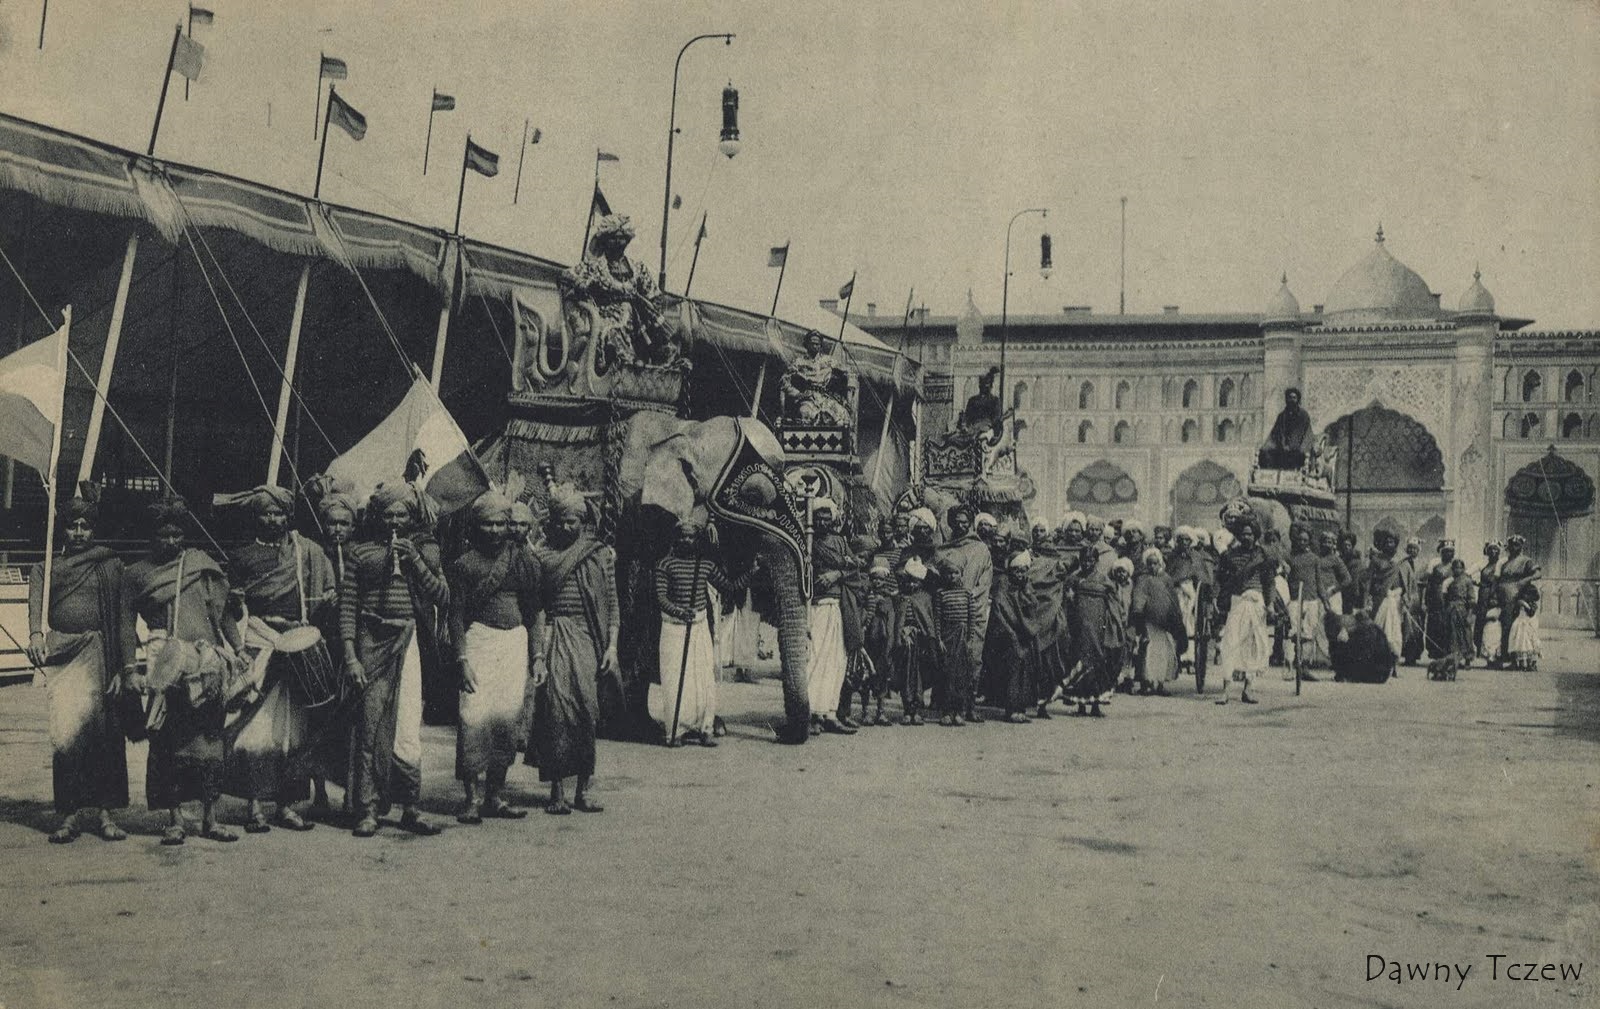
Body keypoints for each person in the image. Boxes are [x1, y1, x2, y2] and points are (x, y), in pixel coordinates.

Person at [122, 497, 243, 845]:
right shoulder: (137, 575)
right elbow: (124, 625)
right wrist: (132, 667)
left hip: (206, 666)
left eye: (177, 535)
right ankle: (174, 820)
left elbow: (223, 615)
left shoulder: (200, 565)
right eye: (163, 535)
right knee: (167, 745)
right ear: (152, 536)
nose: (171, 542)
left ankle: (211, 818)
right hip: (165, 665)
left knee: (209, 743)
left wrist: (238, 651)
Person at [221, 484, 337, 833]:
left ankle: (287, 806)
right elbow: (230, 608)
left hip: (297, 643)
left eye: (279, 514)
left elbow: (327, 593)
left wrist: (322, 604)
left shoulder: (306, 552)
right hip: (259, 640)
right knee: (257, 731)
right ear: (256, 518)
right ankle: (255, 807)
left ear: (289, 517)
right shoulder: (242, 557)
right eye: (266, 514)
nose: (273, 520)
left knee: (293, 732)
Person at [341, 484, 448, 838]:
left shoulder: (424, 551)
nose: (394, 522)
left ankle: (410, 807)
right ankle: (368, 809)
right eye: (388, 515)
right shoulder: (359, 553)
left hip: (409, 643)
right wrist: (352, 657)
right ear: (377, 517)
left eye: (401, 515)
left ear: (411, 517)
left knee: (405, 728)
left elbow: (443, 597)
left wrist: (414, 561)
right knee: (370, 727)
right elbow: (348, 608)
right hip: (371, 642)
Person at [26, 496, 129, 844]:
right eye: (73, 525)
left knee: (106, 736)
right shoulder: (45, 568)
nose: (80, 532)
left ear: (95, 528)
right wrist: (37, 636)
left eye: (86, 525)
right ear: (63, 528)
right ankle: (68, 815)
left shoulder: (110, 565)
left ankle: (106, 814)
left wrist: (121, 668)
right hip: (63, 657)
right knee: (66, 735)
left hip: (101, 655)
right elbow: (35, 612)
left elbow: (122, 621)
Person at [447, 490, 539, 823]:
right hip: (479, 643)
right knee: (473, 718)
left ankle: (495, 796)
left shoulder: (522, 561)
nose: (495, 531)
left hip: (514, 644)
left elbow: (533, 613)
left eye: (501, 523)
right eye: (487, 524)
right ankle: (471, 798)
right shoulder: (464, 564)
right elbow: (455, 615)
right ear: (476, 526)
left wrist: (537, 655)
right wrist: (462, 659)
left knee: (506, 721)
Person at [528, 483, 618, 813]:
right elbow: (537, 607)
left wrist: (612, 647)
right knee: (555, 712)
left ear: (583, 519)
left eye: (573, 521)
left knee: (586, 712)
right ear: (553, 520)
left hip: (589, 639)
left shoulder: (599, 554)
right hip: (554, 635)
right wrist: (538, 653)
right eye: (562, 520)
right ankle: (556, 792)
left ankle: (582, 790)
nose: (568, 527)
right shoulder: (542, 556)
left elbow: (613, 602)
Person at [653, 520, 755, 746]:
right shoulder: (665, 565)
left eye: (691, 537)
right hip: (673, 628)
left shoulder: (705, 565)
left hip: (698, 627)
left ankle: (704, 727)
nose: (686, 541)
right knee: (675, 678)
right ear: (675, 539)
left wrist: (751, 572)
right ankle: (676, 730)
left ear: (698, 540)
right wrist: (679, 611)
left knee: (702, 678)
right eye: (682, 536)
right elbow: (660, 598)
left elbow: (728, 586)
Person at [804, 499, 860, 735]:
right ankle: (812, 714)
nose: (823, 522)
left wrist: (837, 574)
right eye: (818, 517)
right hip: (815, 607)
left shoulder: (840, 541)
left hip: (837, 606)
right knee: (815, 660)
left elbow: (855, 566)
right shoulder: (807, 541)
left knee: (836, 661)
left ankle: (830, 712)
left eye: (827, 518)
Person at [938, 504, 993, 718]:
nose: (961, 526)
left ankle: (970, 705)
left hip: (973, 612)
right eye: (957, 522)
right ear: (951, 523)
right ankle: (948, 705)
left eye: (965, 522)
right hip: (950, 612)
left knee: (972, 658)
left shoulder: (981, 549)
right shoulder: (946, 547)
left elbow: (984, 583)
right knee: (950, 660)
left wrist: (969, 602)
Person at [1213, 518, 1274, 705]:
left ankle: (1248, 689)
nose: (1247, 537)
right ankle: (1226, 691)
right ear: (1238, 535)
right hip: (1237, 602)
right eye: (1243, 534)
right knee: (1230, 643)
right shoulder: (1230, 556)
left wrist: (1270, 604)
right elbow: (1220, 578)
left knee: (1253, 645)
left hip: (1256, 603)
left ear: (1255, 535)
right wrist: (1216, 597)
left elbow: (1269, 583)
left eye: (1250, 534)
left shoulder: (1263, 557)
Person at [871, 556, 936, 726]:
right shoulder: (899, 598)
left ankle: (917, 710)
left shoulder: (926, 598)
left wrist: (923, 635)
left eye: (916, 582)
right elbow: (897, 622)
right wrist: (903, 633)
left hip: (920, 645)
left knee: (920, 676)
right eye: (909, 581)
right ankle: (908, 710)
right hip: (905, 645)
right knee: (907, 676)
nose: (912, 585)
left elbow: (929, 622)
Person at [983, 550, 1043, 723]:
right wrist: (1011, 634)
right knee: (1013, 673)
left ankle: (1021, 707)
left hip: (1025, 635)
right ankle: (1011, 709)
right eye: (1016, 570)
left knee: (1026, 672)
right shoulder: (1004, 585)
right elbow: (1000, 611)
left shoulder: (1027, 587)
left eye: (1023, 570)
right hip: (1008, 637)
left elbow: (1032, 610)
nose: (1020, 574)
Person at [1064, 554, 1128, 716]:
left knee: (1098, 662)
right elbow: (1067, 603)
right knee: (1079, 662)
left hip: (1098, 628)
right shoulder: (1073, 579)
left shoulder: (1104, 580)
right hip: (1079, 629)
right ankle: (1081, 706)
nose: (1087, 563)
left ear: (1096, 561)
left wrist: (1114, 624)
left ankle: (1095, 705)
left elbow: (1113, 603)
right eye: (1084, 560)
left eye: (1090, 560)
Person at [1130, 548, 1187, 696]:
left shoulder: (1166, 579)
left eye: (1155, 563)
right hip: (1149, 622)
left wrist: (1175, 616)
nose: (1152, 567)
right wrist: (1139, 611)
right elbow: (1139, 598)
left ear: (1160, 563)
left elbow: (1172, 599)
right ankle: (1147, 682)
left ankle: (1160, 683)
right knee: (1149, 652)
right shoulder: (1143, 580)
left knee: (1163, 652)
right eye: (1149, 564)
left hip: (1164, 623)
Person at [932, 557, 975, 726]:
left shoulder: (967, 594)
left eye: (955, 573)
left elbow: (972, 618)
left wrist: (970, 640)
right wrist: (939, 639)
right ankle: (947, 712)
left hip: (962, 637)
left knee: (961, 675)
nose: (952, 576)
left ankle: (959, 711)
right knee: (946, 675)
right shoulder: (941, 594)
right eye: (948, 573)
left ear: (961, 575)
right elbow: (937, 618)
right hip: (947, 637)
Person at [781, 331, 852, 426]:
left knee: (842, 414)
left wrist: (850, 384)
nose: (815, 346)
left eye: (817, 344)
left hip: (825, 397)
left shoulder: (828, 360)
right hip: (808, 397)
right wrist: (797, 394)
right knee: (805, 413)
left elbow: (848, 371)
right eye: (812, 343)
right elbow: (784, 381)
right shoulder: (799, 362)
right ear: (806, 344)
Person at [1493, 535, 1540, 667]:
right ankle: (1505, 657)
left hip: (1519, 596)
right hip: (1505, 597)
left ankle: (1518, 660)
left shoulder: (1526, 561)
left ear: (1521, 547)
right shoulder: (1505, 562)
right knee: (1505, 625)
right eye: (1512, 545)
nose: (1514, 548)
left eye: (1517, 545)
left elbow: (1538, 574)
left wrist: (1524, 580)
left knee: (1518, 629)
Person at [1366, 529, 1405, 676]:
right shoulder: (1375, 561)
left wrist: (1399, 596)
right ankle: (1376, 666)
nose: (1390, 545)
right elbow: (1368, 581)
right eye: (1387, 542)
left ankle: (1393, 666)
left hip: (1393, 603)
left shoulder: (1395, 565)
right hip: (1377, 601)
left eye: (1393, 542)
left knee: (1394, 633)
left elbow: (1398, 585)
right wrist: (1367, 601)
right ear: (1382, 544)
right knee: (1378, 632)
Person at [1258, 387, 1313, 470]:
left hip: (1297, 447)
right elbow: (1274, 434)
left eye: (1294, 398)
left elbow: (1304, 434)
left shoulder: (1303, 416)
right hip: (1281, 447)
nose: (1292, 400)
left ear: (1298, 400)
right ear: (1286, 399)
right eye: (1289, 397)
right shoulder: (1282, 416)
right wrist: (1266, 447)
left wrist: (1291, 446)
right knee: (1264, 453)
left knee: (1295, 456)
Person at [1423, 539, 1458, 661]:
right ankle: (1434, 652)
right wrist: (1426, 601)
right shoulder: (1436, 566)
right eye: (1446, 552)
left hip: (1449, 599)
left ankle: (1447, 652)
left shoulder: (1455, 567)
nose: (1448, 554)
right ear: (1441, 552)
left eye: (1451, 552)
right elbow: (1429, 584)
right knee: (1434, 625)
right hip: (1435, 599)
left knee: (1447, 625)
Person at [1473, 541, 1502, 662]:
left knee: (1495, 625)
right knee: (1481, 622)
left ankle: (1495, 654)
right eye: (1491, 549)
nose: (1493, 552)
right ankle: (1483, 651)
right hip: (1483, 596)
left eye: (1496, 550)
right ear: (1487, 551)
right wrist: (1478, 583)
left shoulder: (1501, 564)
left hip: (1496, 595)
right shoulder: (1482, 564)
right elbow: (1468, 573)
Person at [1399, 537, 1425, 666]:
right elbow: (1404, 583)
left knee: (1418, 627)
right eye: (1410, 549)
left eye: (1415, 549)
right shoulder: (1404, 564)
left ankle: (1415, 655)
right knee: (1408, 628)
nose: (1413, 551)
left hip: (1418, 599)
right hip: (1409, 598)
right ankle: (1409, 656)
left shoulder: (1421, 564)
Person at [1443, 558, 1475, 666]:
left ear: (1463, 569)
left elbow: (1471, 599)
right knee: (1452, 635)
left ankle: (1468, 659)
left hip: (1463, 611)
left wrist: (1469, 614)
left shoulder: (1467, 581)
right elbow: (1445, 597)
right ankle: (1455, 659)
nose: (1457, 570)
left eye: (1460, 568)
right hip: (1451, 610)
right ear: (1452, 569)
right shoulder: (1449, 581)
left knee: (1465, 634)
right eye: (1455, 568)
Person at [1506, 583, 1541, 670]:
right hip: (1519, 623)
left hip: (1528, 623)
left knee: (1528, 642)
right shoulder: (1519, 603)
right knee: (1518, 641)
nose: (1525, 596)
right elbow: (1515, 613)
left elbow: (1531, 613)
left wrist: (1525, 605)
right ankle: (1519, 663)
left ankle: (1530, 664)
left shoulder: (1533, 605)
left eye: (1527, 594)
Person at [1338, 530, 1368, 615]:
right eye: (1344, 545)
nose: (1346, 547)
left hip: (1355, 597)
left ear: (1352, 547)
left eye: (1349, 545)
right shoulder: (1340, 560)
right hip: (1342, 595)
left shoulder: (1358, 563)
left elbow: (1361, 582)